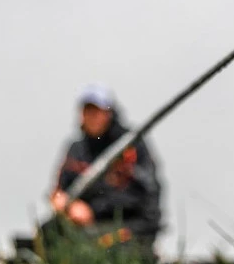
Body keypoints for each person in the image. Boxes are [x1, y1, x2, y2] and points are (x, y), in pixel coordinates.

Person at [49, 85, 162, 251]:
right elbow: (59, 190)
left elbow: (142, 196)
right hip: (86, 228)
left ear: (109, 113)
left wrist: (92, 211)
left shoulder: (131, 146)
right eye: (88, 111)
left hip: (129, 227)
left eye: (97, 111)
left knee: (101, 249)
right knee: (48, 233)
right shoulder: (77, 150)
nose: (92, 117)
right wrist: (65, 204)